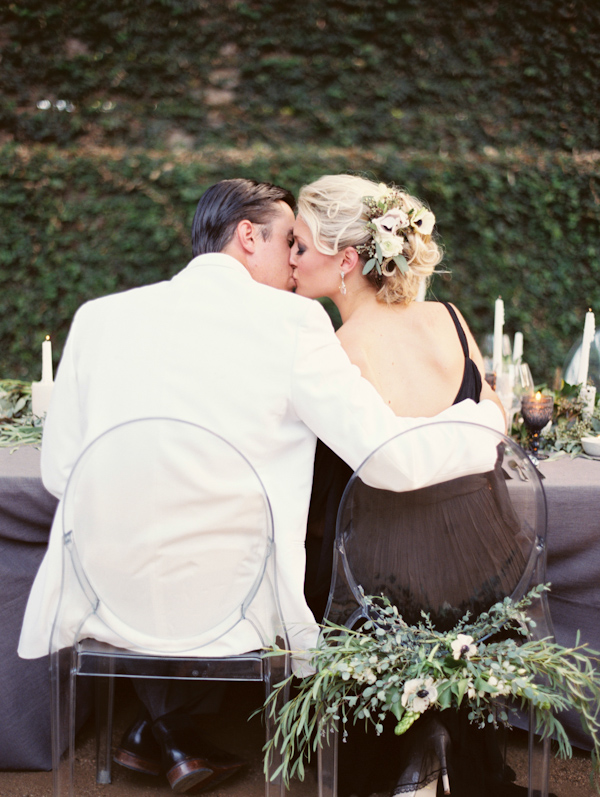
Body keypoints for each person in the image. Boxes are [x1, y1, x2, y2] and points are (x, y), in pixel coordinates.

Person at [18, 178, 504, 794]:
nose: (296, 261)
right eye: (289, 243)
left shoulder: (98, 318)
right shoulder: (295, 323)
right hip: (234, 604)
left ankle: (157, 729)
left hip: (105, 596)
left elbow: (61, 473)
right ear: (249, 236)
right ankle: (169, 731)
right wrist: (483, 420)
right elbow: (391, 461)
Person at [290, 174, 526, 797]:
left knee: (312, 552)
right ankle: (444, 742)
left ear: (346, 261)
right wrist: (480, 415)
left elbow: (362, 469)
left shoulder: (335, 351)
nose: (291, 259)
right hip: (482, 561)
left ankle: (400, 756)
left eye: (301, 246)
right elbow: (494, 419)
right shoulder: (448, 319)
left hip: (385, 576)